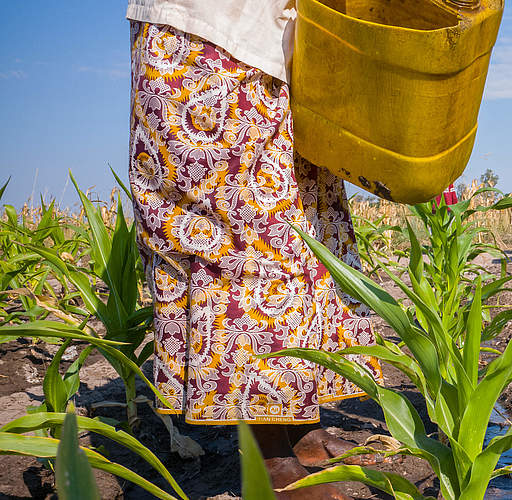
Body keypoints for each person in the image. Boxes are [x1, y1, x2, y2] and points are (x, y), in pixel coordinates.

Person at [126, 2, 389, 498]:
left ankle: (295, 420)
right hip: (210, 37)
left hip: (284, 50)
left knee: (303, 226)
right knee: (245, 236)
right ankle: (265, 441)